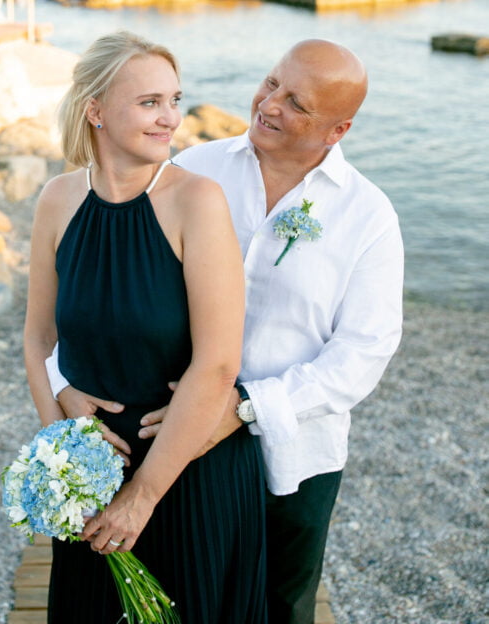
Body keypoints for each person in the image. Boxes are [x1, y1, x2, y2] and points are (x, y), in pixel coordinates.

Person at [48, 38, 404, 624]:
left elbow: (364, 352)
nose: (269, 104)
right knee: (185, 596)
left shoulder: (368, 216)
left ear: (337, 130)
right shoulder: (192, 168)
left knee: (283, 607)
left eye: (296, 103)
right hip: (175, 445)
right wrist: (61, 380)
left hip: (291, 456)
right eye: (271, 83)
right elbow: (101, 285)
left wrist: (244, 407)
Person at [23, 30, 267, 624]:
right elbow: (38, 339)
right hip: (93, 477)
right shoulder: (57, 200)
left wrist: (142, 497)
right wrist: (63, 445)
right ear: (96, 111)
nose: (171, 119)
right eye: (150, 102)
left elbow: (218, 364)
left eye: (174, 100)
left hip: (187, 472)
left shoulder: (197, 202)